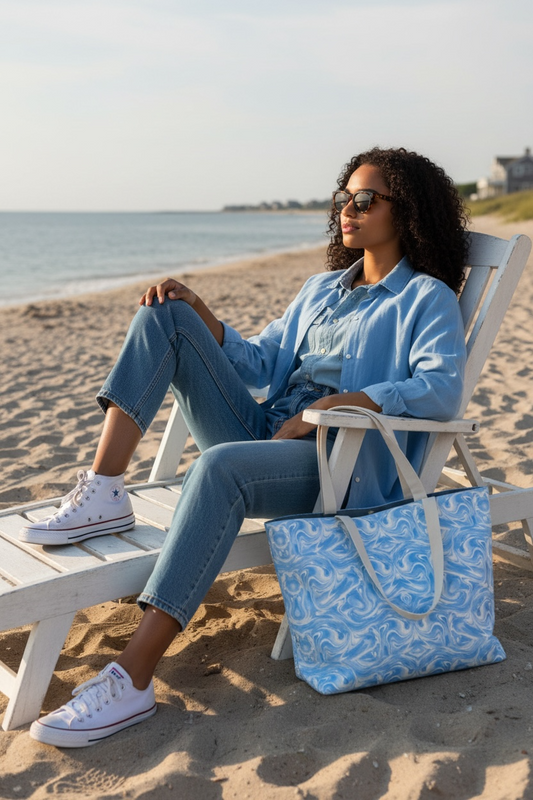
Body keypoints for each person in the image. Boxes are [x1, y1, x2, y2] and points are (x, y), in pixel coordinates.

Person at [22, 147, 468, 748]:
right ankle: (104, 488)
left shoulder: (425, 298)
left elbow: (440, 390)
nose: (349, 210)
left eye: (366, 200)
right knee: (166, 315)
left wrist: (341, 406)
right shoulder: (321, 290)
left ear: (405, 211)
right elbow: (259, 366)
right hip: (267, 429)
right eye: (345, 198)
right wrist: (199, 309)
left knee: (218, 468)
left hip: (339, 464)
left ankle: (131, 677)